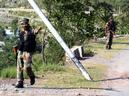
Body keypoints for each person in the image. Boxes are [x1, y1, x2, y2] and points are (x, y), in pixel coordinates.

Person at [15, 18, 42, 88]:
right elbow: (21, 41)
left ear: (27, 24)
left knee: (27, 67)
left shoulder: (32, 31)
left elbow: (35, 31)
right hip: (21, 51)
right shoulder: (21, 31)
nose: (23, 26)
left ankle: (31, 76)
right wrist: (17, 49)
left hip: (28, 52)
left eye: (24, 24)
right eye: (22, 24)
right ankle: (20, 82)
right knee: (19, 67)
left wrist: (38, 30)